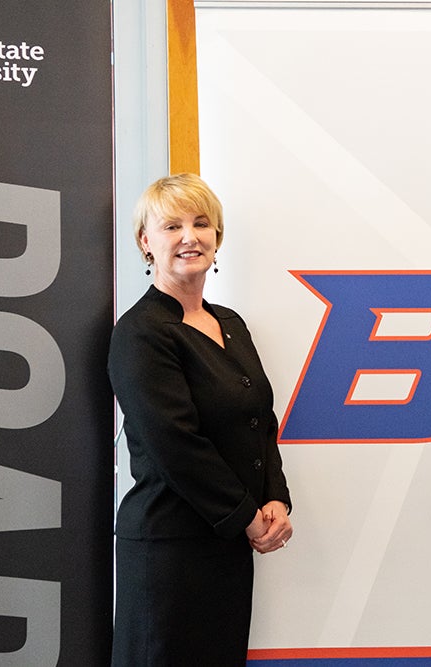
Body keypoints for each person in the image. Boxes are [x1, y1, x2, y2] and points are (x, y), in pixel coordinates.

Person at [108, 173, 293, 666]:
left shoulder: (229, 323)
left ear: (217, 237)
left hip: (226, 545)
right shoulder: (140, 333)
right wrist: (247, 516)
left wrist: (274, 496)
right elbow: (174, 443)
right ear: (146, 242)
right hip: (169, 549)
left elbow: (260, 420)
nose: (190, 236)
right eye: (171, 226)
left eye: (201, 223)